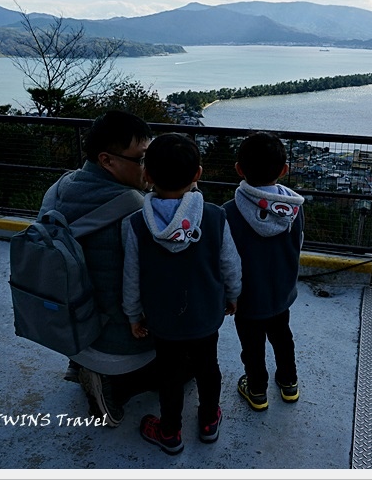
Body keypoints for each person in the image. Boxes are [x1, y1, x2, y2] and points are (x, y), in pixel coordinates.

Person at [122, 132, 241, 455]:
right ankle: (207, 422)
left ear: (146, 175)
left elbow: (131, 276)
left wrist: (133, 314)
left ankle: (170, 432)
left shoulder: (135, 224)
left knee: (169, 376)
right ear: (198, 175)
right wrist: (233, 295)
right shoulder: (216, 216)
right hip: (206, 315)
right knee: (208, 368)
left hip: (163, 320)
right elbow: (230, 264)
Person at [36, 110, 157, 429]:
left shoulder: (57, 189)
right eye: (142, 158)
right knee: (186, 367)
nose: (150, 167)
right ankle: (116, 386)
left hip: (70, 330)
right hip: (122, 342)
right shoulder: (137, 210)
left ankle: (81, 365)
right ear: (107, 160)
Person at [222, 131, 305, 412]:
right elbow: (297, 247)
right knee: (283, 338)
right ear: (284, 170)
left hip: (246, 300)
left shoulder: (228, 213)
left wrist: (229, 295)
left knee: (252, 346)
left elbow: (227, 262)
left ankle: (257, 390)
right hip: (281, 292)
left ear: (239, 170)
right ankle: (289, 382)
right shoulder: (295, 209)